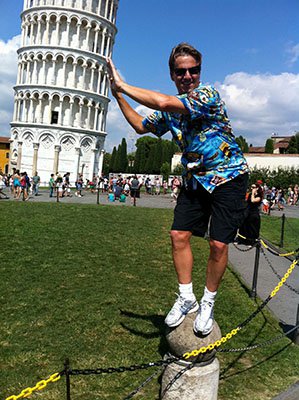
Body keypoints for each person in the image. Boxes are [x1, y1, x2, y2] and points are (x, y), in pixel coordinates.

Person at [107, 42, 249, 335]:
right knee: (178, 235)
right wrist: (118, 94)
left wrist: (123, 83)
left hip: (228, 176)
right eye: (181, 71)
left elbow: (161, 103)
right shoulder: (170, 110)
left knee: (219, 244)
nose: (188, 76)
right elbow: (139, 126)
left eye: (193, 70)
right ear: (172, 74)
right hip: (195, 179)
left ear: (199, 71)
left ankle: (208, 301)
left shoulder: (207, 95)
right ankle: (186, 298)